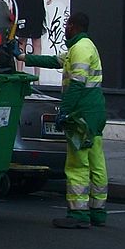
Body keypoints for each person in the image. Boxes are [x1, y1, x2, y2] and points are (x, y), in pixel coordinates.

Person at [17, 12, 107, 229]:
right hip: (93, 112)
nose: (65, 27)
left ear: (73, 26)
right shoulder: (82, 47)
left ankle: (78, 214)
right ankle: (97, 211)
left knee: (77, 163)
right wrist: (23, 58)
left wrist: (64, 112)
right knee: (96, 162)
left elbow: (76, 84)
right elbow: (54, 60)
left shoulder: (81, 49)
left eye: (67, 24)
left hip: (81, 112)